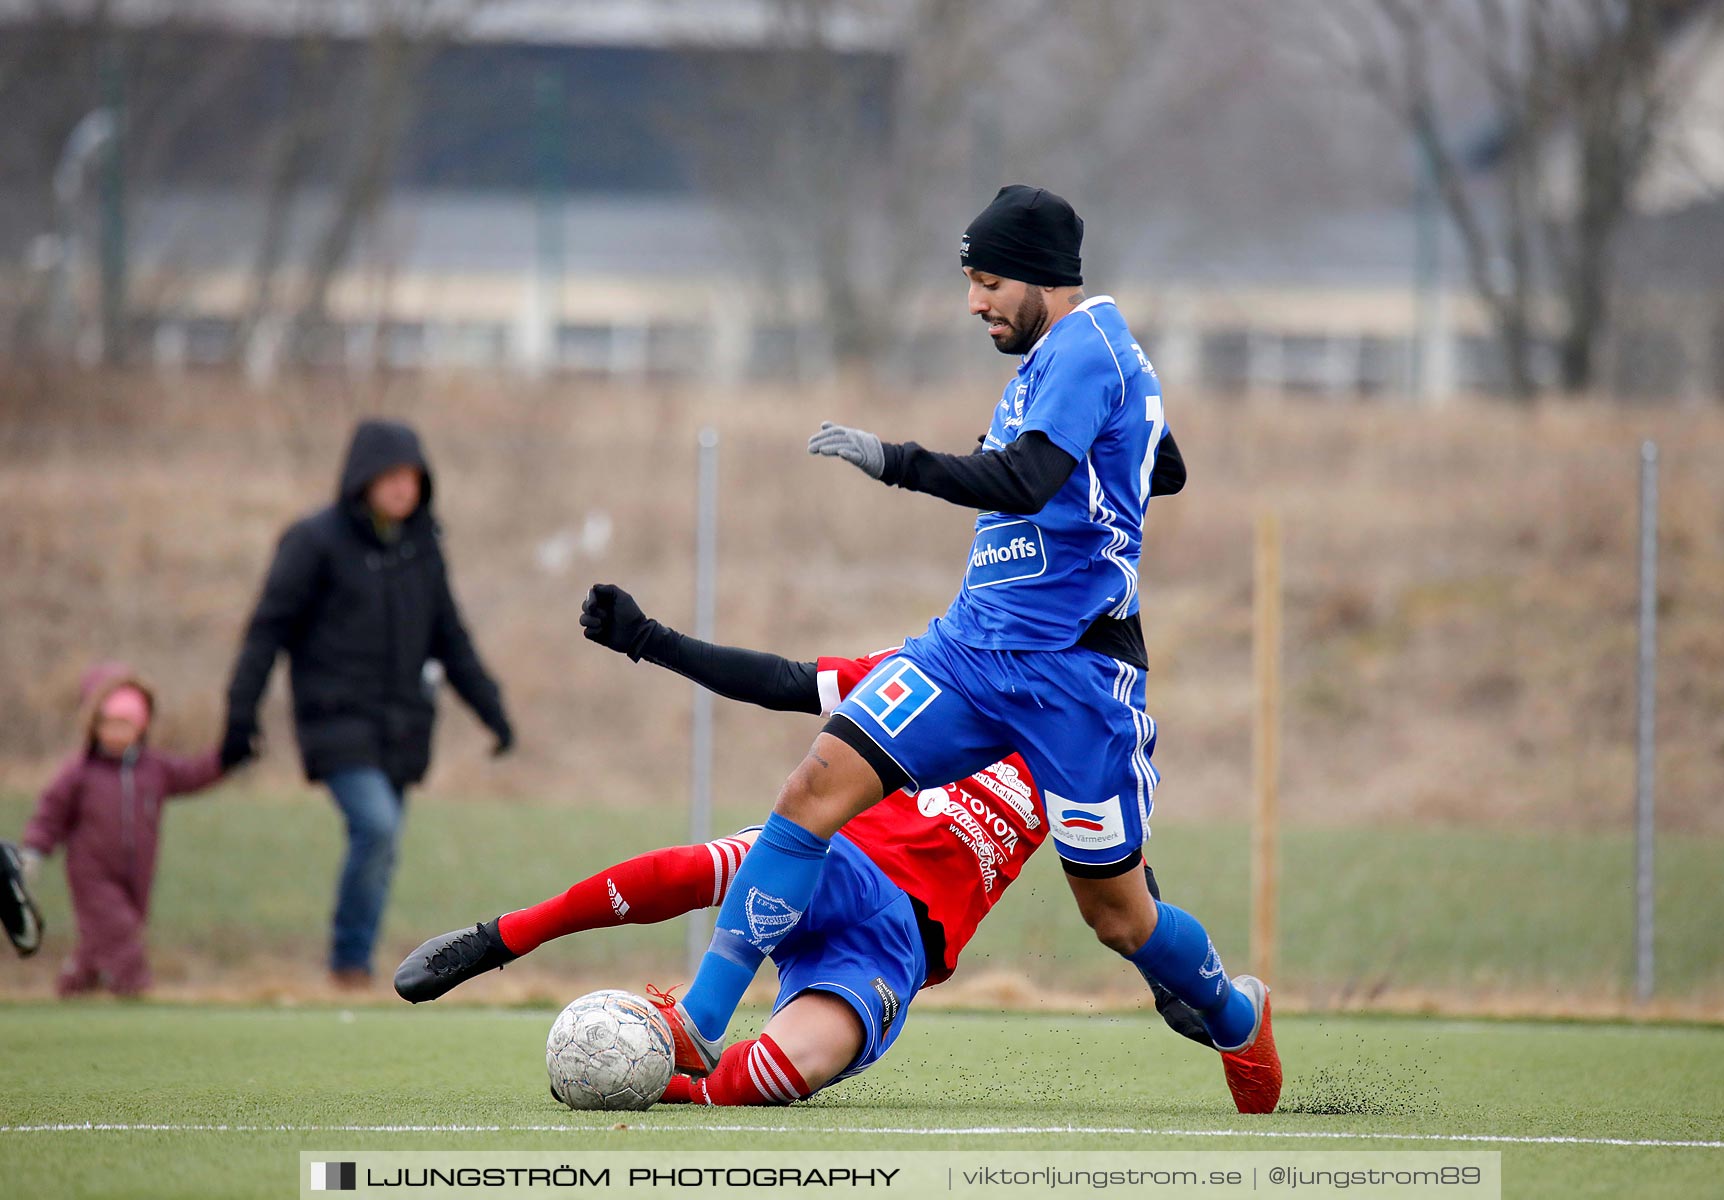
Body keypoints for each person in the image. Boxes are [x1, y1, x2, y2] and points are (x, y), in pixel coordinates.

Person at [656, 185, 1281, 1114]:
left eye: (988, 280)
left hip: (1072, 679)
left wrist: (897, 460)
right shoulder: (1066, 361)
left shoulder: (1087, 348)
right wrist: (1124, 453)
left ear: (1040, 277)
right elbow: (1164, 464)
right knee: (812, 791)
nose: (976, 301)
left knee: (1118, 917)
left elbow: (1028, 479)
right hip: (969, 653)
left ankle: (1235, 1015)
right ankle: (699, 1023)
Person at [393, 584, 1217, 1105]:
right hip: (837, 863)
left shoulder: (1091, 733)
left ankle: (654, 1077)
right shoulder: (937, 668)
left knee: (789, 1073)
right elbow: (788, 682)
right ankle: (501, 936)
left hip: (901, 945)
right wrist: (652, 640)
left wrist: (1162, 978)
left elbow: (1119, 874)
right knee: (708, 865)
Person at [222, 419, 515, 987]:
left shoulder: (423, 546)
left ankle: (359, 963)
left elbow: (450, 636)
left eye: (413, 478)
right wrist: (241, 713)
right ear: (363, 478)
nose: (404, 488)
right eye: (392, 476)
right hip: (336, 724)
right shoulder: (313, 541)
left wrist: (492, 710)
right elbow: (267, 630)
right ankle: (350, 967)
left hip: (403, 729)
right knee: (377, 829)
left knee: (384, 847)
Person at [17, 663, 231, 996]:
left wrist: (229, 758)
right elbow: (50, 814)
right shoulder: (80, 773)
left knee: (99, 941)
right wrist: (34, 850)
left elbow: (194, 774)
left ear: (142, 728)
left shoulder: (155, 769)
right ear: (94, 727)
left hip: (137, 875)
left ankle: (73, 986)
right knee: (120, 932)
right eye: (110, 725)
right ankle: (135, 989)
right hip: (91, 874)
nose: (117, 734)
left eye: (125, 726)